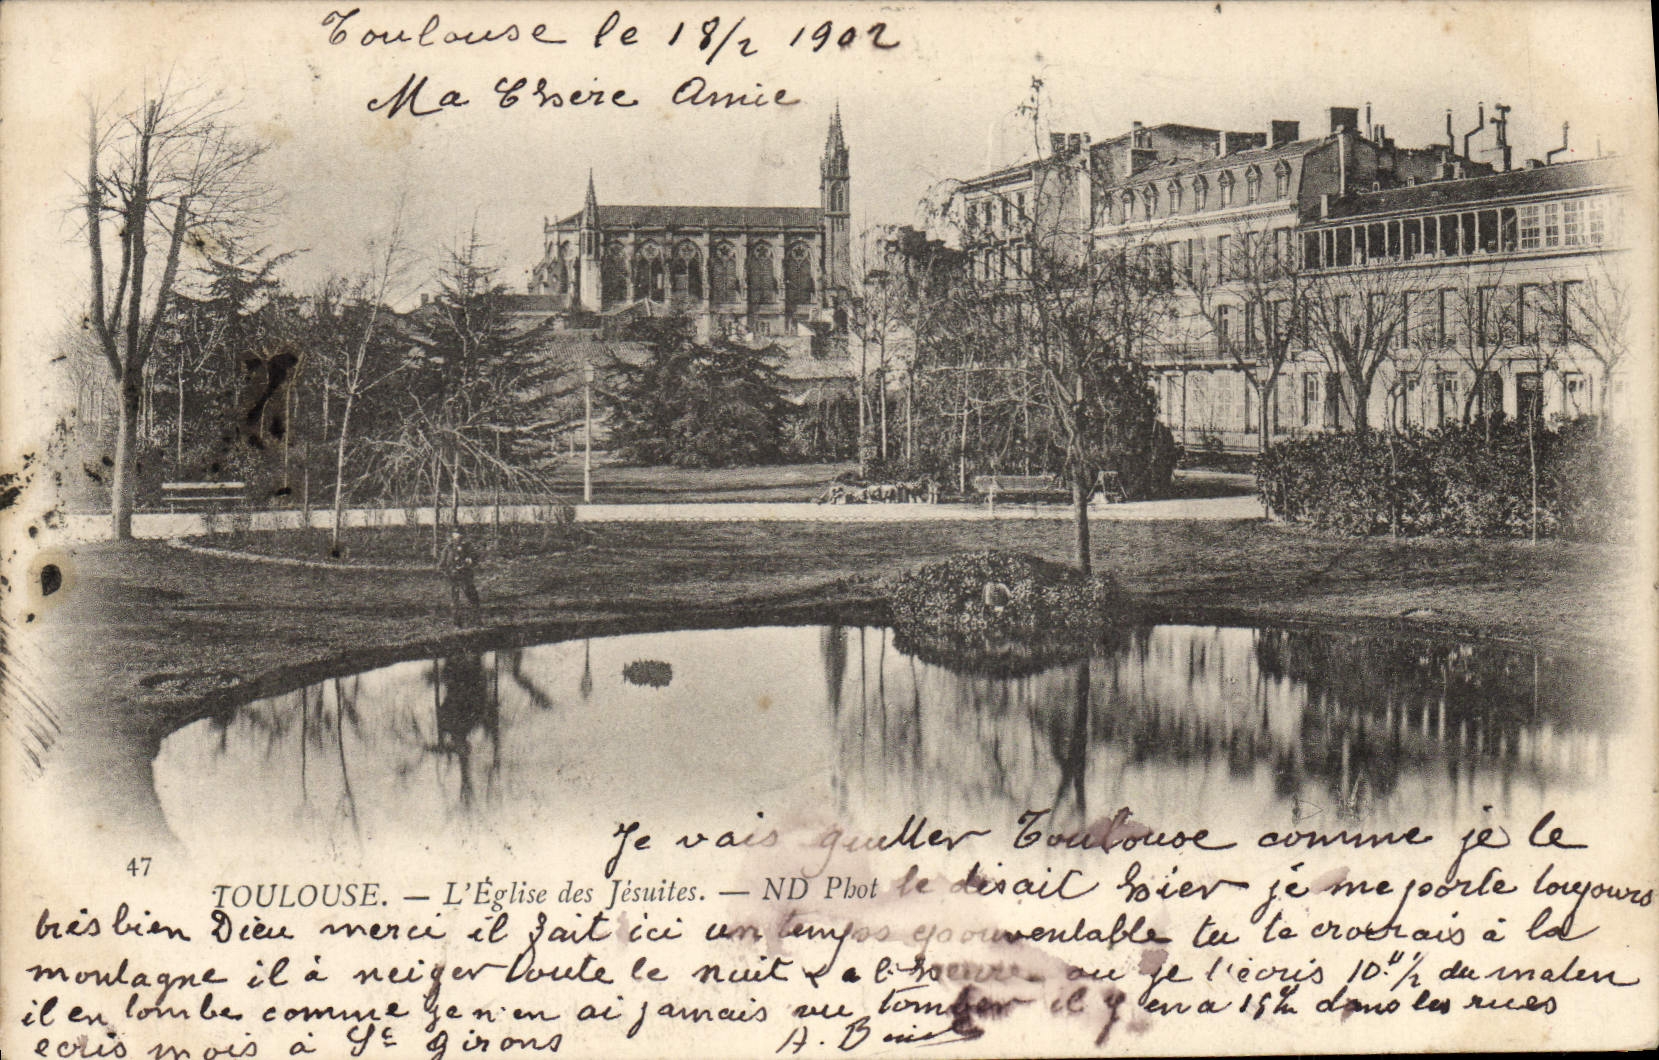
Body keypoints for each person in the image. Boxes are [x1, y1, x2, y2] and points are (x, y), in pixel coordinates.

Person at [439, 528, 481, 622]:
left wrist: (470, 561)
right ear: (453, 536)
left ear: (463, 536)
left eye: (460, 534)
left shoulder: (468, 547)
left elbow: (475, 559)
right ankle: (456, 621)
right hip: (453, 577)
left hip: (465, 576)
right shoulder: (448, 548)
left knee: (473, 597)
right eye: (456, 534)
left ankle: (476, 619)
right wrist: (448, 573)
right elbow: (442, 565)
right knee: (455, 600)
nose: (458, 536)